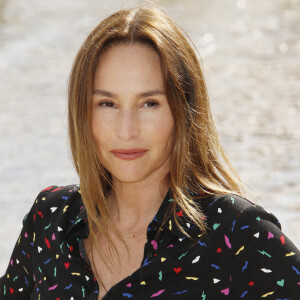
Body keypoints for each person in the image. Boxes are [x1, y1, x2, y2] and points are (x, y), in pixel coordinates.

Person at [0, 6, 299, 300]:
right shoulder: (50, 220)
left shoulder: (236, 232)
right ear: (83, 113)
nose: (127, 130)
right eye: (107, 104)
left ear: (183, 111)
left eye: (150, 104)